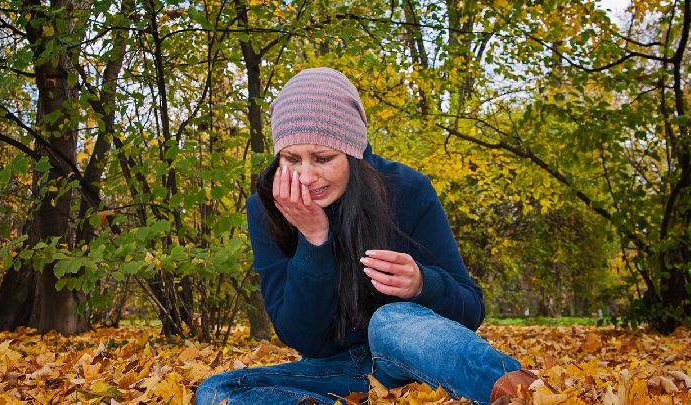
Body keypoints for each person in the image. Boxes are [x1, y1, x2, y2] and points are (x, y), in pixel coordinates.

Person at [195, 67, 541, 405]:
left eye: (323, 157)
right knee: (217, 392)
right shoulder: (266, 208)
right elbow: (305, 339)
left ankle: (524, 395)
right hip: (336, 371)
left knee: (390, 320)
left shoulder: (408, 189)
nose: (306, 176)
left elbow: (471, 309)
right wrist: (313, 240)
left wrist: (423, 284)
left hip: (409, 357)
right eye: (291, 158)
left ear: (353, 150)